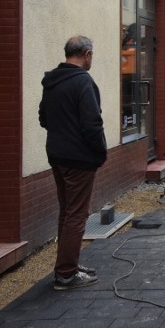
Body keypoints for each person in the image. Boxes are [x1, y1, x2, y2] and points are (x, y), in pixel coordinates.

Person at [39, 36, 107, 291]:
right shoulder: (83, 82)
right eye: (92, 55)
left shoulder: (52, 81)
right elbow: (92, 124)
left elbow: (43, 117)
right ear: (87, 54)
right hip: (79, 159)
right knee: (77, 214)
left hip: (57, 155)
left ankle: (68, 265)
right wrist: (100, 152)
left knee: (67, 212)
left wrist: (62, 133)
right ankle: (66, 274)